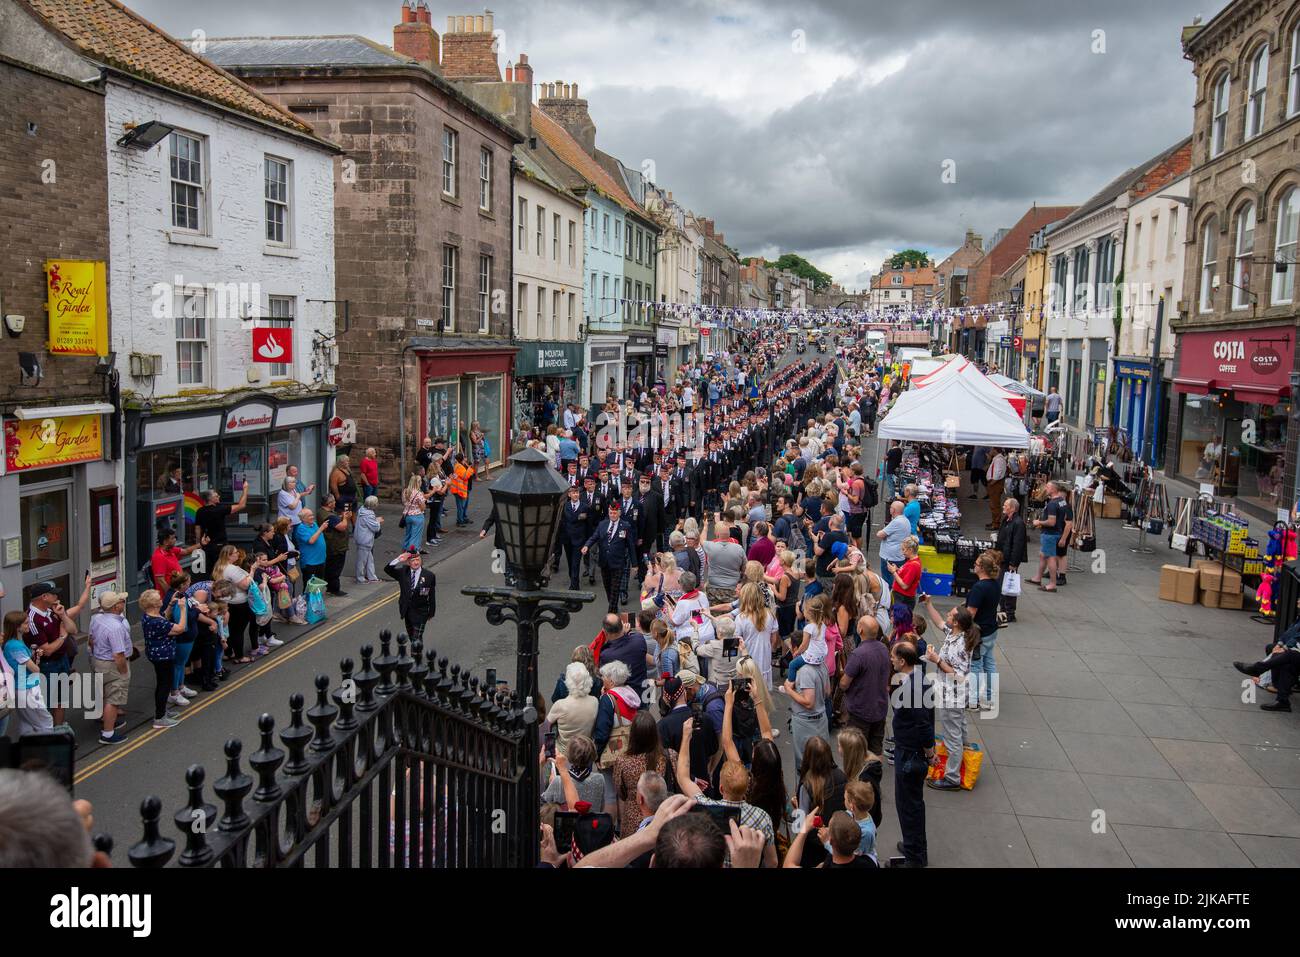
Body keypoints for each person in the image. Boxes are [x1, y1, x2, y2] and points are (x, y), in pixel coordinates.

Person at [674, 718, 778, 867]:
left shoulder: (706, 808)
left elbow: (682, 776)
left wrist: (686, 737)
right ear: (747, 787)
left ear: (721, 788)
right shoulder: (763, 817)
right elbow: (772, 862)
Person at [919, 595, 980, 791]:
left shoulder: (960, 645)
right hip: (952, 694)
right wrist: (928, 604)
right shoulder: (955, 634)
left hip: (952, 696)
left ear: (957, 623)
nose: (947, 614)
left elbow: (958, 676)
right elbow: (938, 621)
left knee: (951, 736)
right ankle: (965, 757)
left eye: (951, 615)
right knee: (959, 730)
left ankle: (952, 777)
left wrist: (937, 660)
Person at [25, 576, 91, 731]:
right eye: (54, 594)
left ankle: (59, 730)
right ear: (44, 597)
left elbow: (73, 630)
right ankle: (47, 734)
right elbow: (46, 650)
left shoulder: (51, 611)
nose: (57, 597)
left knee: (60, 700)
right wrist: (62, 636)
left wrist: (62, 616)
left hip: (62, 660)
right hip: (47, 665)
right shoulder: (33, 619)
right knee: (48, 703)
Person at [890, 641, 934, 867]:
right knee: (913, 805)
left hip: (909, 753)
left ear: (902, 661)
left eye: (893, 657)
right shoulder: (918, 679)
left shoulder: (912, 687)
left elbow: (923, 723)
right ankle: (914, 847)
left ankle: (914, 859)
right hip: (912, 750)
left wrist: (930, 751)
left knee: (908, 805)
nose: (891, 660)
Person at [613, 711, 677, 837]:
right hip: (660, 818)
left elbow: (621, 792)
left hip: (632, 823)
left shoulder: (622, 761)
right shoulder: (669, 756)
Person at [840, 614, 890, 754]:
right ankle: (873, 774)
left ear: (860, 630)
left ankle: (856, 776)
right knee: (875, 749)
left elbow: (844, 683)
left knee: (855, 752)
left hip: (860, 711)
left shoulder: (858, 654)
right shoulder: (883, 649)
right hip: (879, 709)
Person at [88, 591, 132, 745]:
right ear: (115, 607)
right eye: (121, 601)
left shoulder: (96, 619)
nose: (122, 603)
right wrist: (124, 672)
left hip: (98, 661)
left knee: (105, 693)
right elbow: (118, 655)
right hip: (113, 665)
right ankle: (108, 733)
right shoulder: (116, 627)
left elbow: (91, 641)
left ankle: (107, 720)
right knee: (113, 699)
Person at [139, 589, 186, 730]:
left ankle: (163, 711)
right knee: (164, 685)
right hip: (163, 656)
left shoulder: (149, 616)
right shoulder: (157, 622)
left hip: (156, 654)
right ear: (154, 605)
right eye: (158, 599)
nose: (161, 600)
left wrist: (171, 605)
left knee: (162, 683)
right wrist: (183, 609)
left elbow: (164, 617)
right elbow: (180, 628)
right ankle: (160, 718)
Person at [3, 611, 53, 736]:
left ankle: (27, 752)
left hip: (21, 688)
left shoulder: (13, 643)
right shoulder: (15, 646)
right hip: (27, 689)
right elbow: (35, 670)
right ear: (17, 627)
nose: (29, 625)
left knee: (27, 725)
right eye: (25, 623)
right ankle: (47, 751)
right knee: (45, 722)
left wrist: (34, 657)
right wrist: (35, 662)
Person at [582, 499, 634, 615]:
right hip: (604, 562)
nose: (613, 515)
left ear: (619, 513)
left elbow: (631, 546)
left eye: (615, 513)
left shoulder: (625, 526)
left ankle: (611, 615)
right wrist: (586, 546)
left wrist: (635, 564)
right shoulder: (602, 524)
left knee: (615, 590)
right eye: (611, 513)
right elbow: (594, 537)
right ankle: (614, 609)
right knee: (608, 589)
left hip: (618, 563)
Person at [965, 551, 1002, 709]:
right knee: (989, 664)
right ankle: (989, 697)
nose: (974, 565)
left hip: (979, 634)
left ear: (982, 569)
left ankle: (974, 701)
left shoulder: (979, 587)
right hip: (991, 630)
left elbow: (971, 613)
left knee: (975, 666)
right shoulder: (994, 584)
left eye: (976, 564)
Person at [194, 483, 250, 578]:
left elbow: (197, 529)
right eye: (216, 496)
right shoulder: (219, 510)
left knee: (208, 571)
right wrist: (245, 489)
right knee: (221, 570)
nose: (218, 496)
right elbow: (241, 505)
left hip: (206, 546)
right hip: (220, 547)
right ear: (210, 499)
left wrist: (199, 543)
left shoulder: (200, 511)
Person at [546, 661, 599, 756]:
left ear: (568, 682)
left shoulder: (560, 705)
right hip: (585, 752)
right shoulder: (594, 702)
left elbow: (546, 726)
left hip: (563, 753)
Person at [541, 735, 606, 811]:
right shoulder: (600, 779)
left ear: (569, 755)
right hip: (592, 821)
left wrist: (551, 782)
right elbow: (601, 808)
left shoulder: (558, 781)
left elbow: (542, 805)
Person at [385, 547, 436, 644]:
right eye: (413, 560)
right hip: (407, 611)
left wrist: (431, 612)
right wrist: (399, 559)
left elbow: (432, 595)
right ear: (408, 562)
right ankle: (417, 655)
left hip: (421, 612)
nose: (416, 562)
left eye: (418, 560)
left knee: (416, 638)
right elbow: (387, 570)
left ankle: (415, 658)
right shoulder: (403, 573)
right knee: (413, 638)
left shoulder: (429, 576)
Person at [994, 498, 1028, 624]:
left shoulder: (1018, 523)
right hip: (1003, 558)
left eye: (1006, 505)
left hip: (1009, 561)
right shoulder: (1007, 520)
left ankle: (1009, 613)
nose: (1004, 506)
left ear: (1013, 508)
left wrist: (1014, 563)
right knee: (1002, 585)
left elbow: (1018, 545)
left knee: (1008, 586)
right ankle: (1003, 611)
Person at [1029, 480, 1063, 593]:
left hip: (1050, 534)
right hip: (1056, 533)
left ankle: (1052, 584)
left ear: (1054, 489)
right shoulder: (1062, 501)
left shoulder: (1053, 504)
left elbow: (1051, 522)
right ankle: (1037, 578)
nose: (1045, 489)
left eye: (1048, 487)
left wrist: (1039, 522)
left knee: (1050, 558)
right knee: (1043, 555)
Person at [150, 528, 207, 593]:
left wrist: (201, 544)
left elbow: (186, 551)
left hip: (181, 590)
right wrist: (171, 595)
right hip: (171, 597)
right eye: (172, 538)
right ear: (165, 542)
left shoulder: (171, 549)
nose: (175, 540)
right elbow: (161, 580)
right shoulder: (158, 557)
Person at [876, 500, 910, 587]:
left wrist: (883, 532)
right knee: (897, 578)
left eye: (891, 507)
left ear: (893, 510)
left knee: (887, 581)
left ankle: (889, 597)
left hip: (890, 556)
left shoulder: (896, 522)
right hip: (899, 555)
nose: (889, 509)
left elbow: (880, 534)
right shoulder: (906, 520)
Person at [353, 495, 384, 584]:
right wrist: (378, 521)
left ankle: (372, 577)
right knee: (361, 561)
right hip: (365, 540)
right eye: (376, 503)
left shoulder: (362, 510)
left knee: (369, 560)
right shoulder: (368, 515)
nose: (378, 504)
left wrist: (375, 519)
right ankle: (360, 579)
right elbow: (375, 528)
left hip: (362, 538)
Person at [293, 508, 328, 587]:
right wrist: (321, 529)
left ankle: (317, 599)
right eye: (309, 516)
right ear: (303, 518)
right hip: (310, 562)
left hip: (320, 560)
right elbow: (311, 541)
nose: (312, 517)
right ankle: (308, 599)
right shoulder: (301, 528)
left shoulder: (314, 524)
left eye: (312, 515)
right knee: (309, 586)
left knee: (319, 585)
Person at [886, 536, 923, 610]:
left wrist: (893, 572)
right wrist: (897, 569)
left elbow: (905, 585)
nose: (902, 552)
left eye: (903, 550)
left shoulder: (913, 565)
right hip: (901, 597)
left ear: (910, 550)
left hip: (903, 598)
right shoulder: (912, 561)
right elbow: (907, 574)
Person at [401, 473, 428, 551]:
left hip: (407, 515)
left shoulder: (405, 491)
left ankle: (405, 548)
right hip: (417, 516)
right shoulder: (418, 493)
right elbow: (423, 507)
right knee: (415, 536)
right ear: (417, 483)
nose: (421, 483)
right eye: (420, 482)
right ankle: (412, 551)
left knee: (408, 534)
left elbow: (404, 503)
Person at [450, 452, 477, 527]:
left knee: (463, 506)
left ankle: (463, 518)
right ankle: (460, 521)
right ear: (462, 459)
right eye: (465, 457)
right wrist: (470, 469)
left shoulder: (461, 465)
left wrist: (468, 466)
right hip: (460, 490)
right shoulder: (459, 467)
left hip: (464, 489)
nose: (466, 459)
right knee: (461, 506)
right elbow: (465, 476)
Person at [985, 448, 1007, 530]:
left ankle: (996, 523)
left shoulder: (998, 460)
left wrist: (992, 482)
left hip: (995, 483)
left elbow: (997, 473)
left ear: (995, 450)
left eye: (991, 450)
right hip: (995, 483)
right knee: (993, 504)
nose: (989, 451)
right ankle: (994, 521)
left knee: (994, 504)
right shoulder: (998, 459)